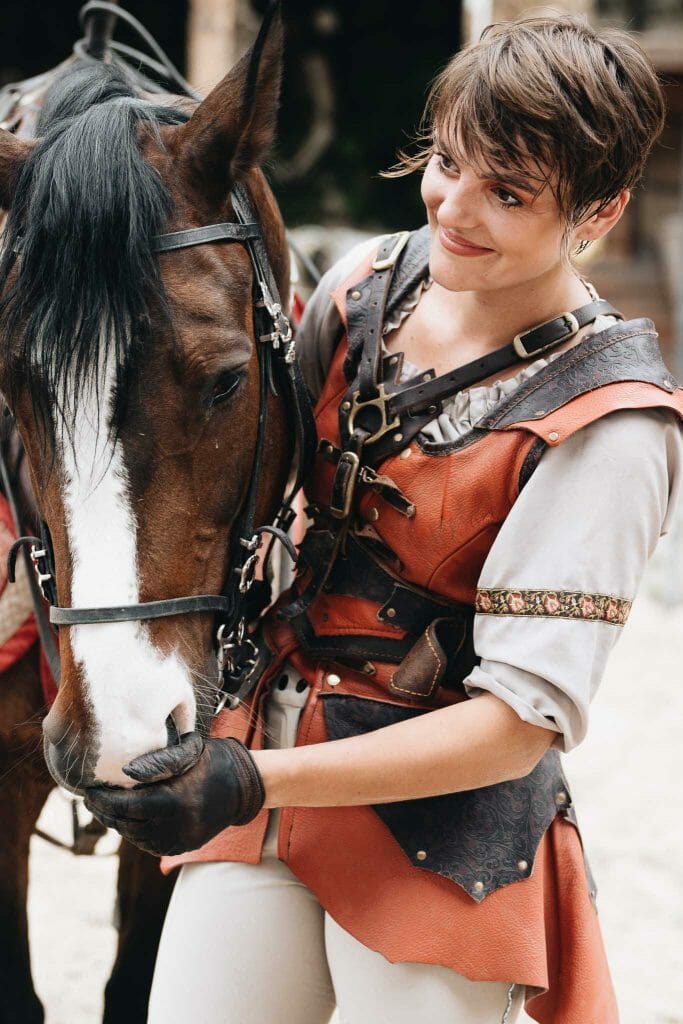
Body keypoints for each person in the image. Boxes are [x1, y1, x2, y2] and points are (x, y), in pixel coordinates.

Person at [85, 14, 683, 1024]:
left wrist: (245, 778)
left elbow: (509, 729)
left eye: (508, 192)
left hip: (443, 833)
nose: (453, 206)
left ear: (600, 209)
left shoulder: (609, 423)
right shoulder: (365, 283)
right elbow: (242, 493)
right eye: (446, 163)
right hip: (265, 770)